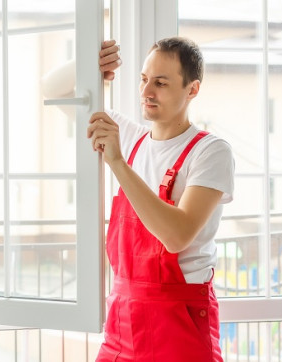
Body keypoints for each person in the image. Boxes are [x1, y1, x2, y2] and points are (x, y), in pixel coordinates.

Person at [90, 38, 234, 361]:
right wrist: (93, 67)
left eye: (161, 83)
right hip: (121, 326)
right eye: (143, 79)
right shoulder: (131, 139)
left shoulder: (210, 152)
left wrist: (117, 164)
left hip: (179, 329)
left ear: (192, 90)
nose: (146, 93)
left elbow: (176, 235)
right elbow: (57, 90)